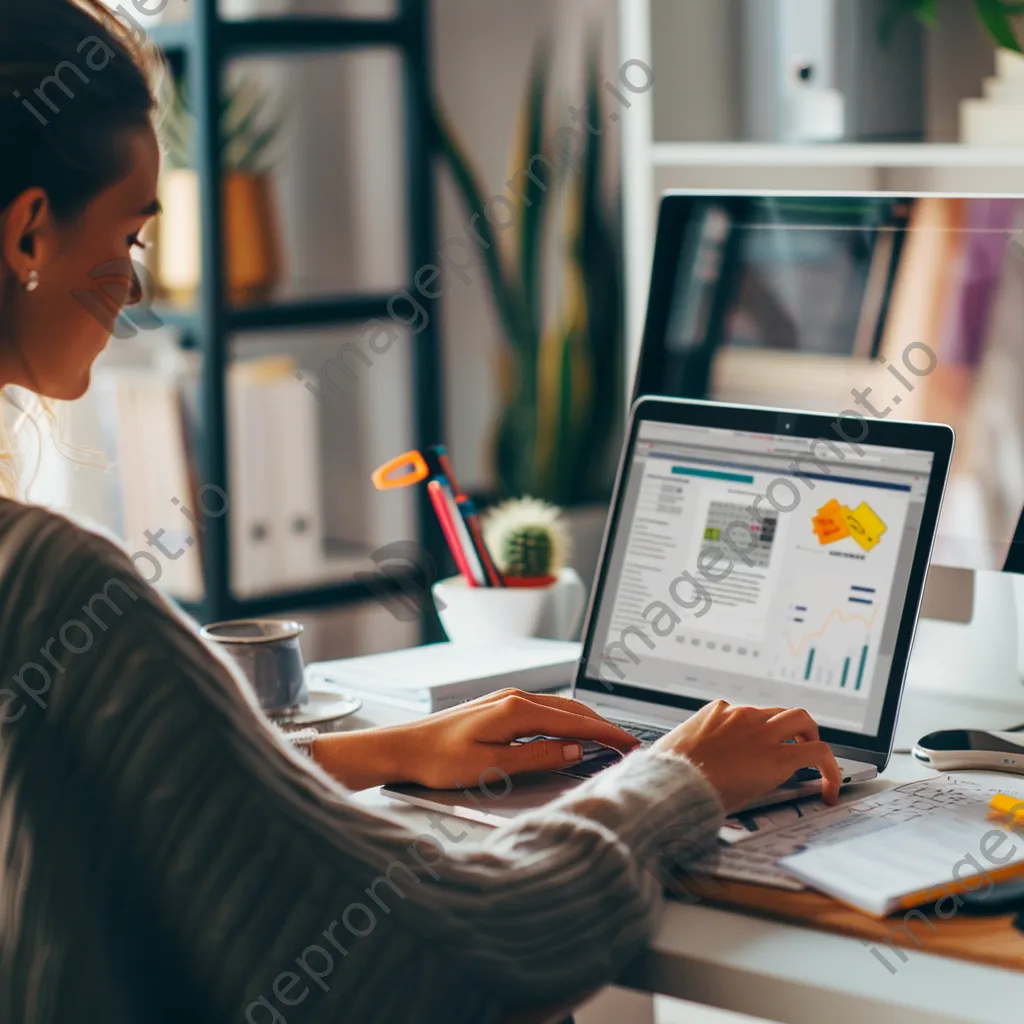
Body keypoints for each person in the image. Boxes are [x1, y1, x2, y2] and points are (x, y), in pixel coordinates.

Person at [0, 4, 842, 1022]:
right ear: (29, 230)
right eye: (132, 232)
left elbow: (116, 798)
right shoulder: (49, 587)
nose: (135, 280)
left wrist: (380, 750)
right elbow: (459, 951)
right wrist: (681, 776)